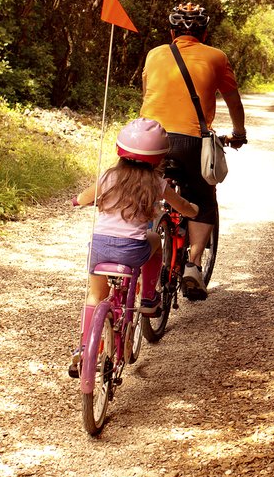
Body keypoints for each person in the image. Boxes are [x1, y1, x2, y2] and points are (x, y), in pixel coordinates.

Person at [68, 118, 198, 378]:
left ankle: (83, 350)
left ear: (121, 150)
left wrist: (78, 201)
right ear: (160, 157)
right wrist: (193, 210)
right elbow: (183, 207)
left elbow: (82, 199)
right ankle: (149, 298)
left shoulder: (109, 176)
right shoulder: (157, 183)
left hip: (101, 249)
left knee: (95, 296)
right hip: (132, 251)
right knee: (155, 242)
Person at [140, 2, 246, 301]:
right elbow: (233, 102)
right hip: (190, 141)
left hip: (149, 138)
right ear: (205, 32)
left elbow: (147, 93)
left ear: (172, 32)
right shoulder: (216, 56)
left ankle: (141, 240)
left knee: (144, 189)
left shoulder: (154, 53)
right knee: (203, 198)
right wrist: (239, 134)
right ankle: (193, 263)